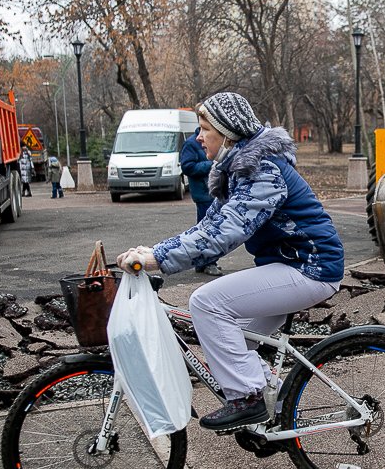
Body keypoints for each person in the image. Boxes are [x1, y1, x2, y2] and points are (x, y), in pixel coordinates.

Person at [116, 92, 344, 431]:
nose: (198, 137)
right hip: (286, 267)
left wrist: (158, 260)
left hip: (311, 268)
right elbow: (208, 226)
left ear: (227, 132)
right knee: (234, 341)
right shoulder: (238, 172)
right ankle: (278, 407)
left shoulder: (262, 171)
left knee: (206, 303)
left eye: (204, 128)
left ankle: (248, 398)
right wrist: (155, 251)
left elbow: (226, 232)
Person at [179, 127, 222, 276]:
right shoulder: (191, 143)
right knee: (208, 229)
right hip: (203, 193)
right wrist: (211, 165)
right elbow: (187, 167)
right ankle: (208, 263)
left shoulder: (213, 138)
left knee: (209, 227)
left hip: (212, 191)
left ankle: (203, 262)